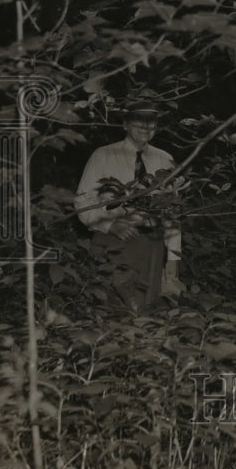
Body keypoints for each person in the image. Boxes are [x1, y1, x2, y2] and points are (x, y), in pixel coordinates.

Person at [75, 99, 182, 311]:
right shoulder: (103, 155)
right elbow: (81, 201)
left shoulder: (165, 159)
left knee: (146, 311)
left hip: (151, 245)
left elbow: (173, 212)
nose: (145, 126)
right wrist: (109, 226)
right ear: (125, 124)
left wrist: (172, 263)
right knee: (109, 307)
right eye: (138, 120)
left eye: (151, 121)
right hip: (113, 242)